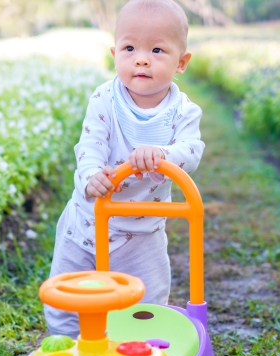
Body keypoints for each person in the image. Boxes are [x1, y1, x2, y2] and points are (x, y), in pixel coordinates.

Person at [44, 0, 205, 338]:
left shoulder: (184, 112)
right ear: (115, 52)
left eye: (157, 50)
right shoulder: (105, 99)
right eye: (130, 48)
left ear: (182, 62)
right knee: (68, 299)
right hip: (87, 221)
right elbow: (90, 146)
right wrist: (91, 176)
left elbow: (190, 153)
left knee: (145, 304)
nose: (142, 58)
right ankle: (68, 347)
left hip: (141, 232)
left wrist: (162, 153)